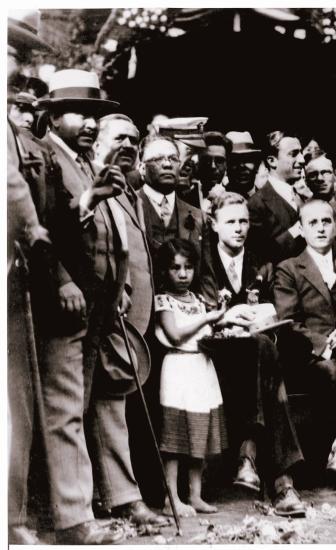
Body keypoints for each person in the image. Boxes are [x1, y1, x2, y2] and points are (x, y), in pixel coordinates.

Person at [37, 67, 130, 544]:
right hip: (65, 300)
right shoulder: (45, 159)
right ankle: (72, 519)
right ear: (52, 116)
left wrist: (115, 285)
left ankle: (81, 505)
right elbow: (42, 229)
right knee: (65, 407)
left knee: (84, 401)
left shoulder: (87, 161)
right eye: (78, 112)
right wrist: (62, 278)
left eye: (95, 113)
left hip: (96, 302)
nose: (90, 122)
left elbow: (107, 236)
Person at [198, 192, 307, 518]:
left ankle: (249, 457)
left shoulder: (263, 262)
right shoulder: (205, 261)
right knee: (269, 366)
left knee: (264, 349)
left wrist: (263, 316)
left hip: (257, 352)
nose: (239, 228)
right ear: (215, 225)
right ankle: (282, 481)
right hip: (216, 356)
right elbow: (204, 309)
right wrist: (227, 316)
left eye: (243, 221)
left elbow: (275, 309)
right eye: (230, 221)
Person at [89, 115, 169, 529]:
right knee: (104, 407)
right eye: (119, 137)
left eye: (135, 140)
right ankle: (121, 498)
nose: (129, 145)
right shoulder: (93, 182)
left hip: (133, 319)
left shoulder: (130, 190)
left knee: (113, 406)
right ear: (98, 140)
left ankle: (112, 495)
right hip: (102, 313)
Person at [274, 200, 336, 493]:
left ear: (335, 226)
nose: (320, 227)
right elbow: (288, 322)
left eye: (326, 221)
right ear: (302, 230)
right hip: (309, 359)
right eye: (313, 223)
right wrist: (325, 345)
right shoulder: (289, 269)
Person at [7, 10, 56, 544]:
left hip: (14, 282)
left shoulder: (19, 142)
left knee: (15, 408)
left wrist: (38, 239)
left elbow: (20, 197)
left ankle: (16, 517)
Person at [154, 239, 229, 517]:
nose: (183, 274)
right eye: (175, 268)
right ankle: (170, 497)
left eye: (188, 268)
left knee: (198, 433)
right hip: (178, 370)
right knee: (174, 439)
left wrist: (223, 319)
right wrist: (208, 318)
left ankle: (195, 495)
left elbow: (207, 330)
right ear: (164, 271)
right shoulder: (163, 300)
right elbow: (175, 334)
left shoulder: (197, 299)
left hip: (201, 368)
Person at [138, 135, 205, 263]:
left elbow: (205, 272)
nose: (168, 164)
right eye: (158, 159)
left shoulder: (198, 217)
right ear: (142, 168)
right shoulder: (127, 206)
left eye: (173, 159)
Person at [247, 130, 307, 264]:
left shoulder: (302, 198)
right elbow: (260, 256)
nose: (302, 160)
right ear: (272, 161)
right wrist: (298, 229)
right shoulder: (255, 205)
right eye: (294, 154)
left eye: (301, 153)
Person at [181, 131, 229, 212]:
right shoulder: (184, 197)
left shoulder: (236, 194)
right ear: (198, 163)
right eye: (206, 160)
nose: (212, 166)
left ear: (227, 164)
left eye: (219, 161)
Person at [225, 131, 262, 199]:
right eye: (235, 160)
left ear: (257, 165)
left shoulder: (269, 200)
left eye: (247, 159)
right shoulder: (213, 203)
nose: (241, 166)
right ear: (226, 166)